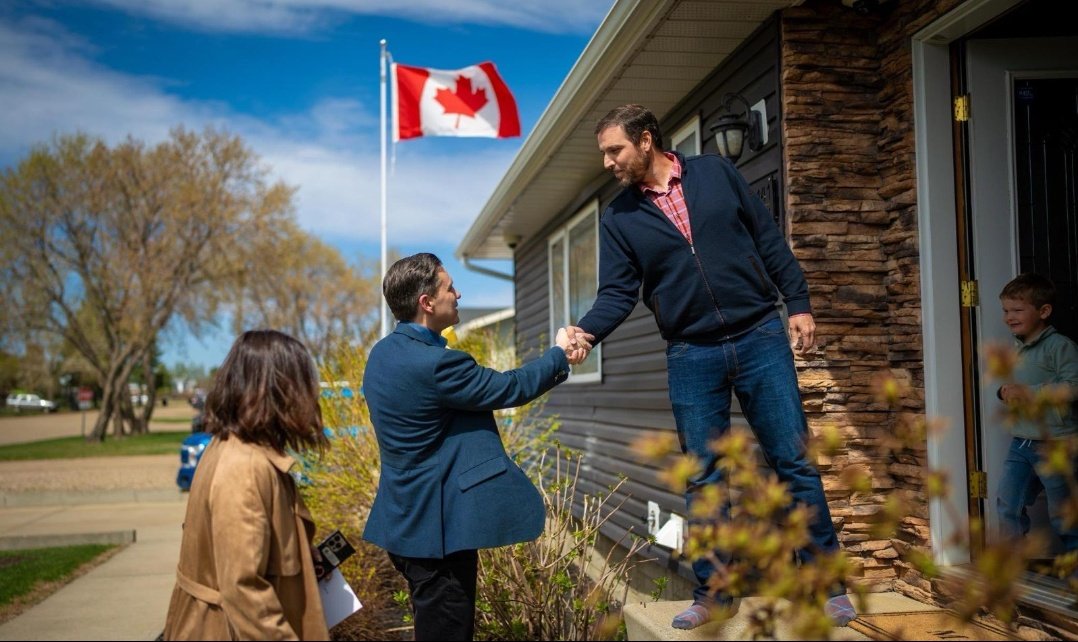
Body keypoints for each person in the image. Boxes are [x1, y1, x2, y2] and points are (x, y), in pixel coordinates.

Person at [566, 104, 855, 629]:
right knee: (704, 476)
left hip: (759, 335)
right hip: (690, 352)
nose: (608, 162)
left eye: (615, 150)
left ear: (646, 140)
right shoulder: (620, 218)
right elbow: (616, 294)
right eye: (605, 153)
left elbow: (767, 238)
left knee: (793, 460)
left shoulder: (715, 173)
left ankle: (823, 583)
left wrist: (799, 301)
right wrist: (587, 332)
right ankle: (715, 594)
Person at [362, 253, 591, 641]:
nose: (458, 293)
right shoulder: (435, 364)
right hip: (438, 536)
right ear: (427, 303)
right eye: (449, 287)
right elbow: (509, 387)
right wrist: (558, 355)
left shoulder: (381, 355)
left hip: (402, 524)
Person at [164, 330, 331, 640]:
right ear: (279, 389)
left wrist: (302, 552)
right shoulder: (244, 467)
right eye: (302, 382)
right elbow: (244, 590)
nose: (310, 395)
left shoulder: (237, 447)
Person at [995, 273, 1078, 552]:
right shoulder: (1017, 347)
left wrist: (1031, 392)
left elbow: (1073, 387)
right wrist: (1004, 392)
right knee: (1008, 503)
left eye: (1017, 310)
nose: (1009, 317)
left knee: (1063, 513)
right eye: (1006, 310)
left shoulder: (1060, 347)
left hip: (1056, 442)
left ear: (1043, 311)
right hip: (1021, 441)